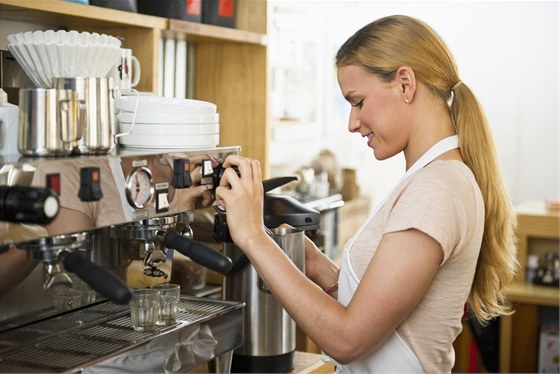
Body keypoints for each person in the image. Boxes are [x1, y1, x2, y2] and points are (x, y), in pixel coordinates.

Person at [214, 15, 518, 373]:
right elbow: (377, 309)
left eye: (357, 102)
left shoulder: (437, 189)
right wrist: (311, 262)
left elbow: (348, 339)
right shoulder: (438, 179)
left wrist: (252, 236)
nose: (352, 122)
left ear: (405, 83)